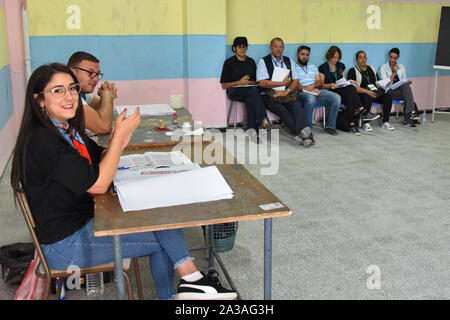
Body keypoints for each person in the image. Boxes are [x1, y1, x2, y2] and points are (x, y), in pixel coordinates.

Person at [10, 63, 237, 301]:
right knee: (165, 235)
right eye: (58, 91)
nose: (69, 97)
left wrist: (120, 140)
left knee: (159, 214)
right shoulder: (43, 141)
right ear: (39, 100)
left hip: (84, 221)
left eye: (72, 88)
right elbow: (97, 183)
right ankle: (188, 286)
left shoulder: (65, 130)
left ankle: (191, 285)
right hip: (65, 245)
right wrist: (117, 139)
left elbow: (99, 157)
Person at [256, 38, 314, 147]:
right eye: (276, 46)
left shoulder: (289, 60)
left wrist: (286, 91)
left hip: (287, 94)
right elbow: (262, 83)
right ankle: (306, 135)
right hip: (270, 96)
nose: (278, 49)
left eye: (281, 47)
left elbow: (296, 80)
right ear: (271, 47)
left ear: (283, 48)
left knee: (297, 107)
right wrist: (281, 84)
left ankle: (303, 135)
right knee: (283, 111)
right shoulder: (263, 61)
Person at [220, 36, 272, 142]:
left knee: (250, 98)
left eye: (244, 47)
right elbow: (224, 85)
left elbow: (256, 81)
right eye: (240, 47)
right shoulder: (229, 62)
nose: (242, 49)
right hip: (234, 91)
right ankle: (263, 119)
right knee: (253, 93)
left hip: (249, 91)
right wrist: (239, 82)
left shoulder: (251, 62)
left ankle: (252, 132)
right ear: (234, 48)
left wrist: (247, 82)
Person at [318, 46, 378, 135]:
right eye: (334, 57)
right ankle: (362, 110)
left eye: (337, 57)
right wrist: (330, 85)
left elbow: (343, 81)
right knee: (351, 89)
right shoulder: (323, 67)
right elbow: (321, 85)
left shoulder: (340, 65)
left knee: (350, 95)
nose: (336, 59)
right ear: (329, 56)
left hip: (341, 90)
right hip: (331, 91)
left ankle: (352, 124)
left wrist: (349, 82)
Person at [293, 45, 341, 136]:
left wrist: (312, 87)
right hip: (301, 93)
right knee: (311, 98)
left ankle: (330, 126)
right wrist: (306, 89)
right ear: (297, 54)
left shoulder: (313, 66)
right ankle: (308, 129)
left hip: (315, 91)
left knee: (336, 97)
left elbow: (319, 82)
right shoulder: (293, 67)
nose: (305, 56)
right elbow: (295, 85)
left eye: (307, 55)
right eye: (302, 54)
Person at [347, 51, 399, 131]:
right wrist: (368, 92)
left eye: (364, 57)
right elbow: (354, 88)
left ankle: (385, 121)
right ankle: (366, 123)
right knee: (367, 97)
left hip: (374, 91)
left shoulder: (371, 68)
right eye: (360, 57)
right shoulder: (352, 71)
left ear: (366, 59)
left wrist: (379, 84)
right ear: (356, 60)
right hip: (362, 93)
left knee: (388, 97)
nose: (363, 59)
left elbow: (377, 81)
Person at [68, 51, 116, 135]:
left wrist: (106, 98)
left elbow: (101, 108)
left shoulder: (81, 92)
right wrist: (107, 98)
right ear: (72, 72)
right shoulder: (68, 94)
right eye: (90, 73)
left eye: (97, 74)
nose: (96, 79)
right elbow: (104, 127)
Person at [379, 47, 420, 128]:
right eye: (391, 57)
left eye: (395, 58)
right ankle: (410, 114)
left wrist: (407, 81)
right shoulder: (383, 67)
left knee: (405, 86)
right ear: (388, 56)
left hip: (400, 90)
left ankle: (408, 118)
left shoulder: (401, 66)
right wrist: (394, 72)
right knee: (408, 96)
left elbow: (404, 79)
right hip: (389, 91)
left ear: (397, 58)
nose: (392, 60)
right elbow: (385, 84)